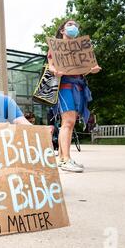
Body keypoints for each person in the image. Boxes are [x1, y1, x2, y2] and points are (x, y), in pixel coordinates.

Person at [48, 20, 102, 173]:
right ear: (62, 30)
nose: (74, 28)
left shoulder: (81, 48)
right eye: (70, 25)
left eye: (76, 26)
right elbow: (51, 65)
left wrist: (92, 70)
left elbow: (83, 69)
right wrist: (54, 71)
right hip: (65, 87)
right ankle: (66, 160)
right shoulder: (56, 46)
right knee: (68, 123)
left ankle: (62, 158)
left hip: (78, 87)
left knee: (68, 124)